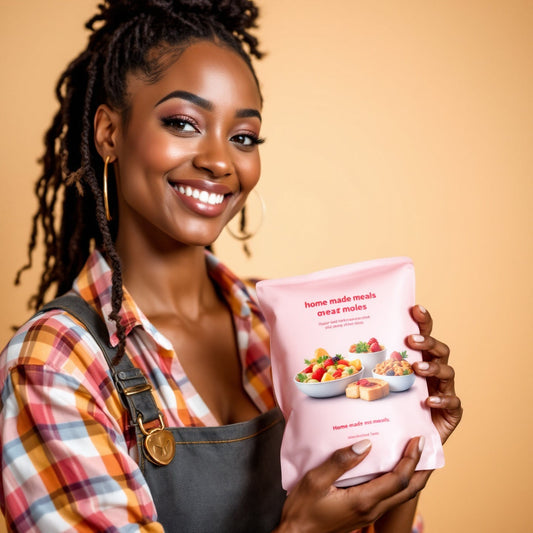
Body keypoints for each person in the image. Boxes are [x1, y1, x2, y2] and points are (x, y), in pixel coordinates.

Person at [0, 1, 462, 532]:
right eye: (182, 122)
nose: (221, 161)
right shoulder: (56, 364)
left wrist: (406, 451)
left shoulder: (281, 323)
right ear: (108, 132)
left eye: (243, 137)